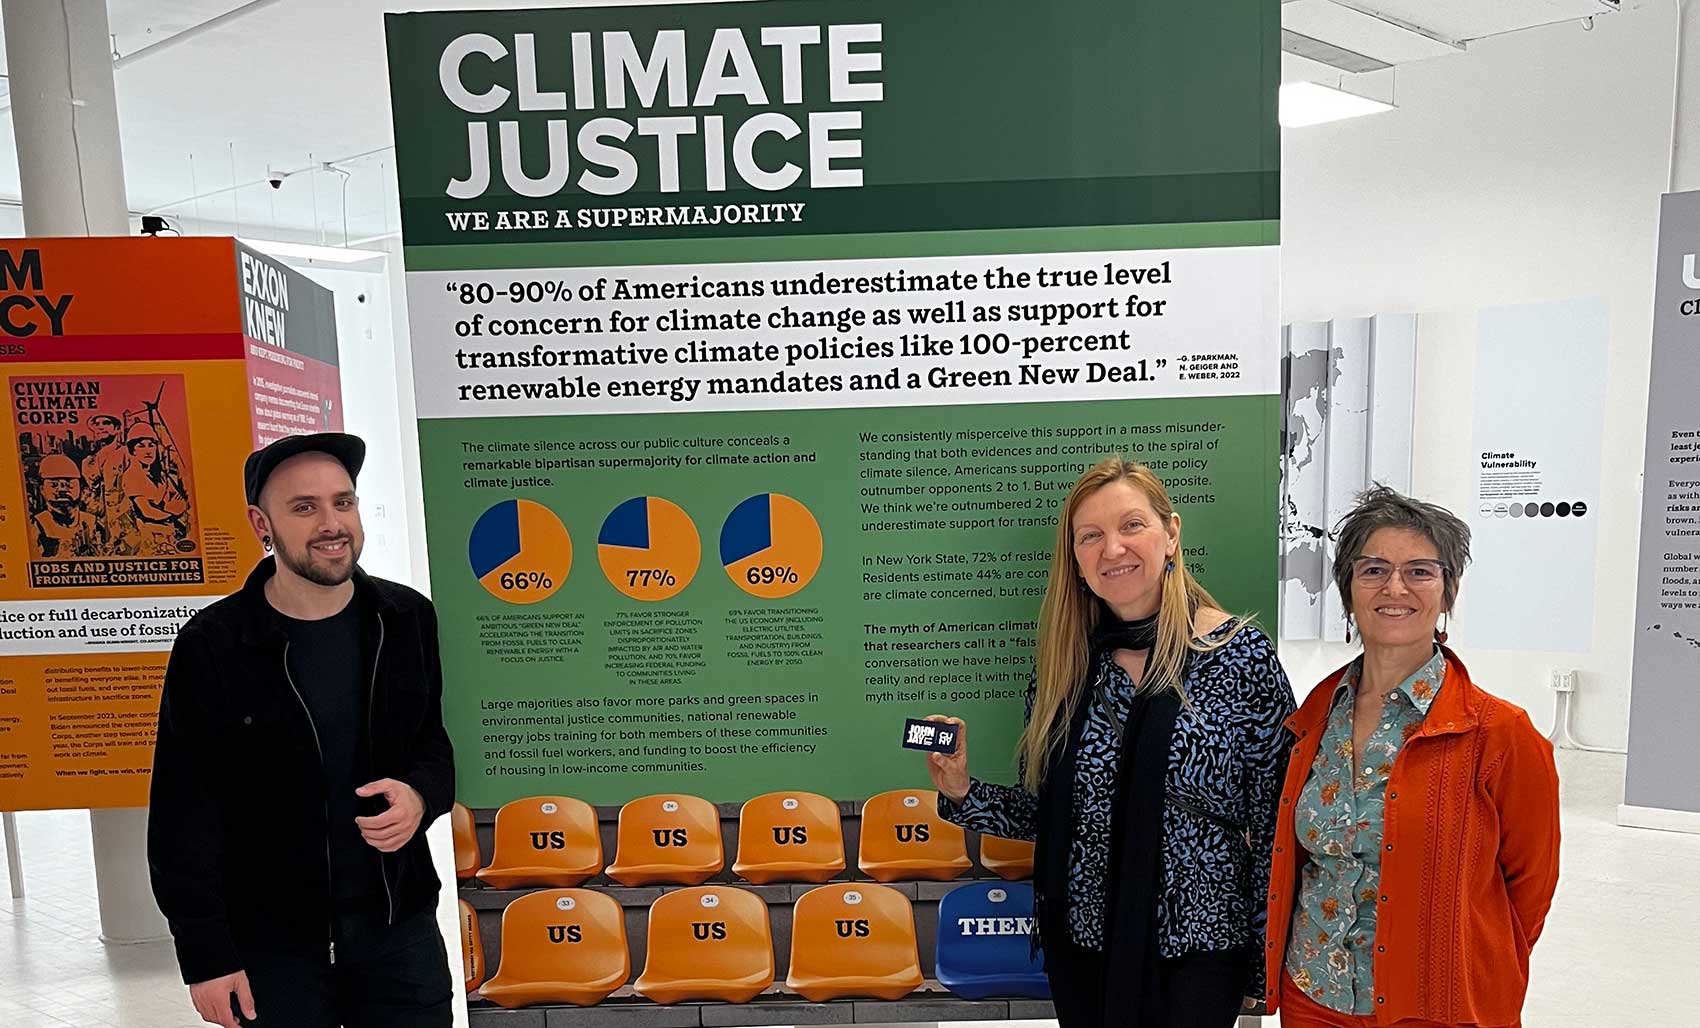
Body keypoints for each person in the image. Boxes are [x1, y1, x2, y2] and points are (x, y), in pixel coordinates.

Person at [925, 456, 1295, 1028]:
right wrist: (962, 790)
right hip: (1085, 943)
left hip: (1197, 945)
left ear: (1171, 535)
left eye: (1131, 526)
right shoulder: (1066, 670)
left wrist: (1262, 963)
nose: (1112, 549)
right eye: (1090, 536)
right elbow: (1057, 817)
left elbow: (1276, 819)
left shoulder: (1238, 656)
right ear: (1075, 561)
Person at [148, 432, 456, 1028]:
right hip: (272, 949)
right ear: (260, 523)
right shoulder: (213, 645)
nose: (331, 523)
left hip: (398, 932)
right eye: (304, 507)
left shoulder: (405, 618)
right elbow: (183, 813)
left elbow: (432, 746)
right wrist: (205, 955)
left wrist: (420, 796)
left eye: (343, 502)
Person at [1263, 486, 1560, 1028]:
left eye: (1420, 571)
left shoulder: (1501, 735)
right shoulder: (1315, 718)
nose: (1394, 587)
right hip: (1314, 995)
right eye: (1373, 569)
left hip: (1436, 1005)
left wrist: (1472, 972)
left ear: (1447, 593)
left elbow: (1529, 893)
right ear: (1348, 590)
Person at [120, 423, 190, 552]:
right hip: (148, 537)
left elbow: (178, 500)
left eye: (151, 445)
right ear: (132, 450)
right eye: (141, 446)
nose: (148, 450)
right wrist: (173, 514)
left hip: (168, 534)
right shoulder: (132, 476)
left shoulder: (160, 476)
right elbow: (148, 511)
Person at [31, 453, 100, 557]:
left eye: (69, 484)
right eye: (54, 484)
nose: (62, 490)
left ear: (81, 488)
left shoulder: (94, 523)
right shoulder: (37, 525)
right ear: (42, 489)